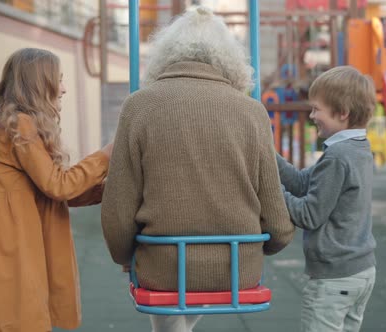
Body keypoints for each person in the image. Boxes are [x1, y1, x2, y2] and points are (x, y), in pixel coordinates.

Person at [100, 6, 295, 332]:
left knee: (169, 297)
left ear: (166, 54)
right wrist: (273, 240)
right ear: (228, 58)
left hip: (164, 265)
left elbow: (118, 208)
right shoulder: (252, 112)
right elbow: (277, 218)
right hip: (236, 266)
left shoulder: (140, 106)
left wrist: (125, 255)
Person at [0, 48, 113, 332]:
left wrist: (107, 190)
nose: (65, 88)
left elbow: (53, 189)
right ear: (38, 83)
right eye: (58, 79)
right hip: (13, 239)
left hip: (17, 232)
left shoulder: (18, 123)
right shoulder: (20, 125)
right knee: (16, 317)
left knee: (18, 313)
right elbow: (57, 186)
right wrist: (105, 155)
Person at [276, 65, 377, 332]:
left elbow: (309, 214)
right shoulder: (358, 149)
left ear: (342, 113)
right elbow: (301, 182)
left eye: (316, 109)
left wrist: (273, 192)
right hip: (361, 272)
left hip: (335, 277)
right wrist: (267, 156)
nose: (311, 116)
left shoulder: (338, 157)